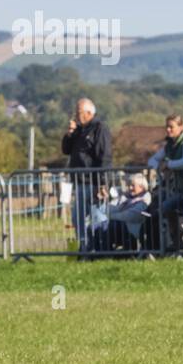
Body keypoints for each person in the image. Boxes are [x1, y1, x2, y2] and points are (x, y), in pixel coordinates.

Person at [61, 97, 113, 255]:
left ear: (89, 113)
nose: (76, 116)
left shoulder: (99, 128)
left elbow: (104, 157)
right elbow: (66, 150)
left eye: (79, 112)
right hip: (79, 182)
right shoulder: (78, 130)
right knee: (78, 219)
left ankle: (100, 250)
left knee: (97, 218)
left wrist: (103, 183)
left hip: (94, 182)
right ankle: (85, 250)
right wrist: (70, 133)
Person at [148, 114, 183, 254]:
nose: (168, 129)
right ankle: (178, 245)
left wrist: (168, 164)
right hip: (180, 190)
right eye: (167, 126)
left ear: (180, 127)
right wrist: (159, 165)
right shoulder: (170, 145)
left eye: (171, 127)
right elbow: (152, 160)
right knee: (165, 208)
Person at [92, 174, 152, 253]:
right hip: (121, 225)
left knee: (108, 225)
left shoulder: (145, 198)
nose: (130, 188)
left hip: (132, 229)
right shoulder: (127, 197)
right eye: (129, 185)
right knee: (95, 226)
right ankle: (95, 253)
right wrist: (104, 201)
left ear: (142, 187)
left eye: (133, 186)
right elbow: (114, 208)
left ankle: (104, 253)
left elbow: (129, 215)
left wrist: (109, 216)